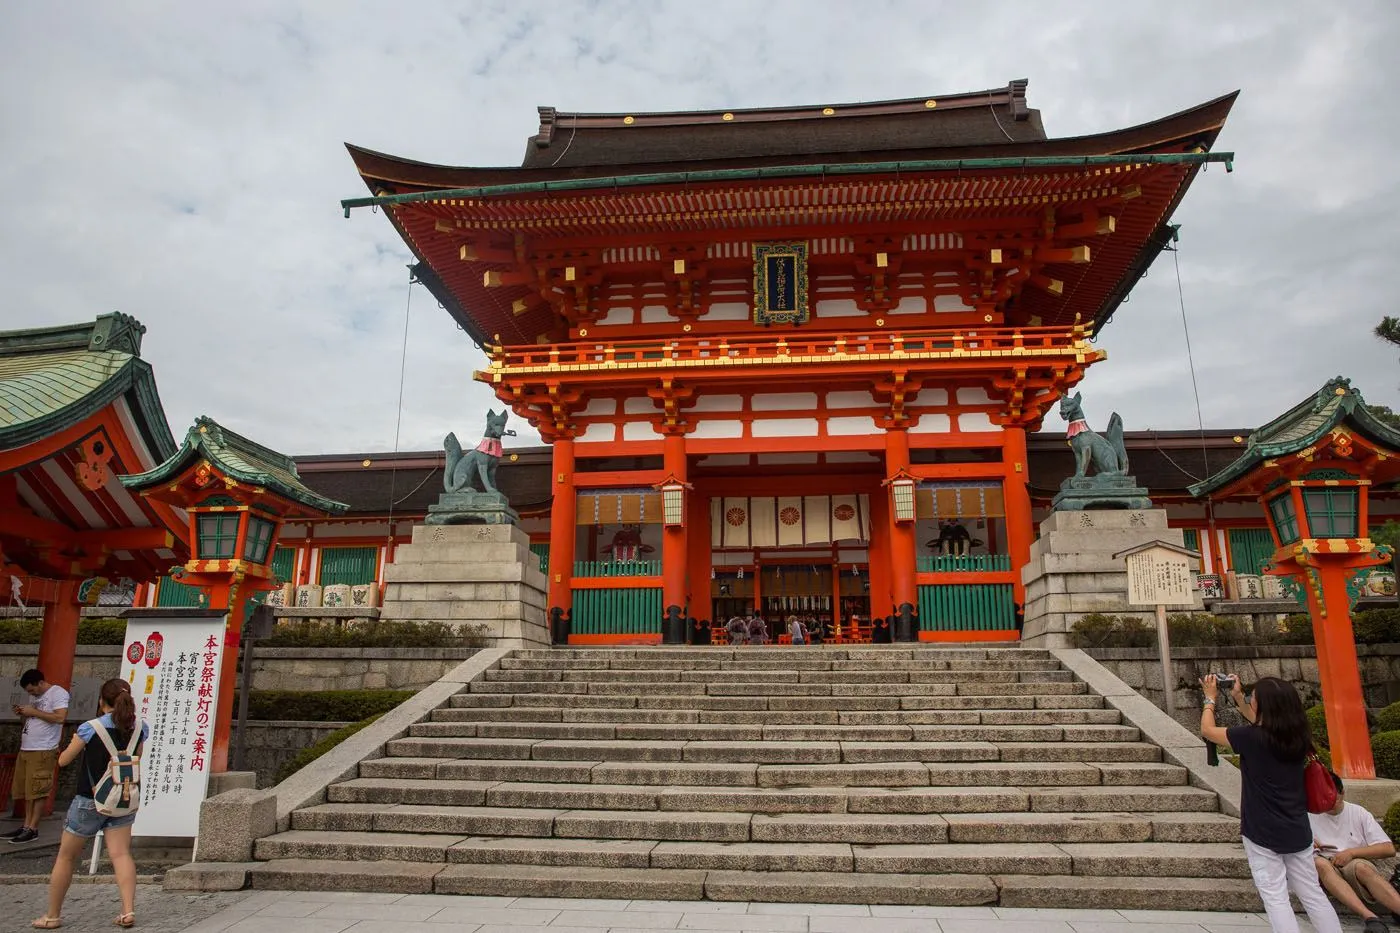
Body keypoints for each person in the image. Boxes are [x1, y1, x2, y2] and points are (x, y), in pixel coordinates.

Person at [1201, 674, 1342, 933]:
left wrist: (1210, 699)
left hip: (1262, 829)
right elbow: (1263, 724)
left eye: (1253, 699)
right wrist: (1238, 698)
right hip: (1297, 827)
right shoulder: (1298, 737)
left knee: (1276, 898)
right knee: (1312, 894)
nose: (1251, 701)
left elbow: (1208, 731)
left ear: (1264, 706)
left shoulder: (1252, 738)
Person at [32, 678, 148, 930]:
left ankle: (52, 916)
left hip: (89, 799)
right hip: (122, 798)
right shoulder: (140, 727)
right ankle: (128, 911)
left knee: (66, 857)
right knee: (121, 854)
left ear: (101, 701)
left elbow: (63, 761)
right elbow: (135, 757)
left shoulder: (90, 727)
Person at [1310, 771, 1400, 931]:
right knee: (1320, 864)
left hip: (1354, 862)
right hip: (1324, 865)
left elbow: (1388, 848)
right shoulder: (1310, 814)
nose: (1329, 803)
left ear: (1342, 793)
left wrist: (1352, 853)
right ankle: (1370, 917)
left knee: (1361, 867)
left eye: (1333, 798)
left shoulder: (1358, 813)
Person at [5, 669, 70, 845]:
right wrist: (24, 713)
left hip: (43, 749)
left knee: (38, 789)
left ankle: (33, 828)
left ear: (40, 683)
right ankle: (26, 825)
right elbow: (34, 719)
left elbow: (60, 718)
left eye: (32, 690)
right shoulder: (36, 698)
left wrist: (33, 712)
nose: (31, 694)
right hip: (27, 748)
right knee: (28, 790)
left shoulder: (58, 693)